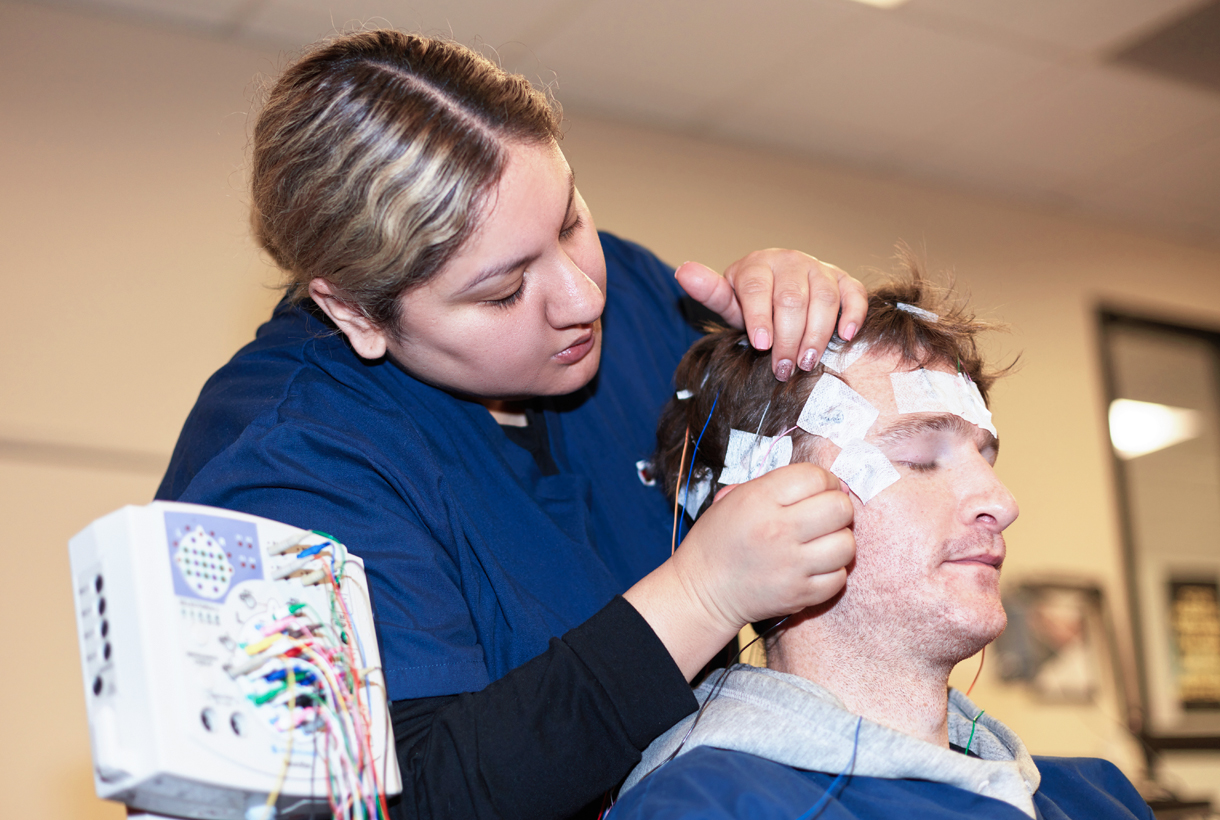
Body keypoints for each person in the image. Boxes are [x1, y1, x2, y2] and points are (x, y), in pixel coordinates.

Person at [156, 29, 863, 820]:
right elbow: (413, 796)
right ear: (351, 309)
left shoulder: (623, 295)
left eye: (569, 222)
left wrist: (804, 343)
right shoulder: (282, 462)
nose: (582, 297)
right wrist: (701, 596)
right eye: (502, 293)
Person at [611, 267, 1153, 819]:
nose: (1003, 502)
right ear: (757, 518)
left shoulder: (1100, 797)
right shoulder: (708, 805)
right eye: (919, 456)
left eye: (986, 458)